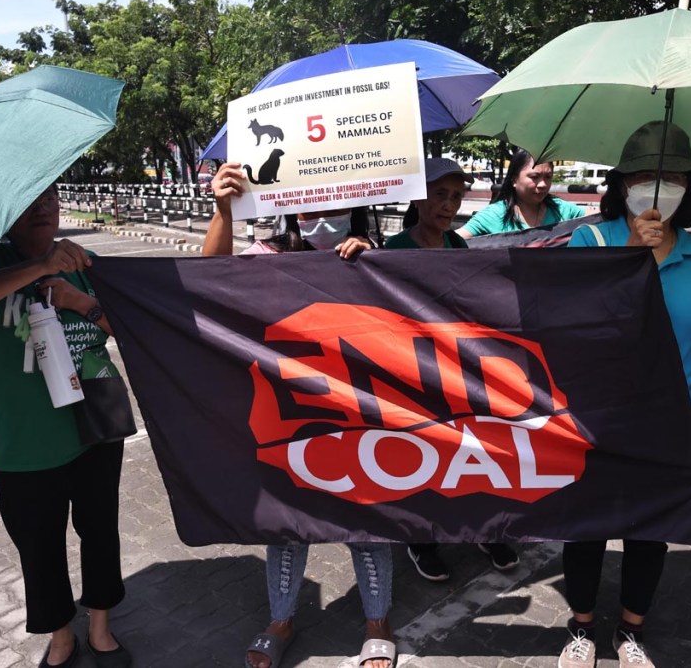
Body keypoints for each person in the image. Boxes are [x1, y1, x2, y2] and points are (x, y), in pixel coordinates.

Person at [203, 163, 395, 668]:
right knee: (286, 524)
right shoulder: (266, 257)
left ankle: (377, 622)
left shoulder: (376, 258)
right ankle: (281, 620)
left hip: (361, 419)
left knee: (369, 522)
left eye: (336, 203)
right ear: (290, 205)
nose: (323, 215)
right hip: (288, 420)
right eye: (311, 204)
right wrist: (223, 210)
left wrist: (375, 268)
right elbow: (207, 280)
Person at [558, 121, 691, 668]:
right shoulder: (590, 242)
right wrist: (631, 255)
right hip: (596, 417)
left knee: (652, 530)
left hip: (667, 420)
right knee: (586, 527)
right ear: (622, 183)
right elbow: (576, 326)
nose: (658, 187)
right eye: (642, 176)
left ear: (690, 187)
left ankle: (631, 630)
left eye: (673, 177)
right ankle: (581, 627)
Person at [0, 184, 132, 668]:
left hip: (93, 425)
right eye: (28, 201)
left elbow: (125, 325)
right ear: (6, 211)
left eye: (49, 198)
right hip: (24, 438)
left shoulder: (82, 261)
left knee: (100, 529)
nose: (42, 209)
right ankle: (61, 636)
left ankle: (100, 627)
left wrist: (78, 300)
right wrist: (39, 268)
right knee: (38, 543)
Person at [383, 158, 521, 580]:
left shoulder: (459, 247)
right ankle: (421, 540)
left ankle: (483, 530)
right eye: (440, 194)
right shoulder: (390, 250)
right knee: (420, 455)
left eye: (457, 197)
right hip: (410, 375)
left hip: (457, 372)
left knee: (471, 452)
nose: (449, 204)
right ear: (417, 198)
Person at [457, 150, 585, 239]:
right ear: (514, 180)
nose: (543, 184)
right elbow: (453, 242)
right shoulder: (494, 215)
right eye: (534, 176)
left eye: (548, 177)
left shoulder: (563, 210)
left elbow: (594, 220)